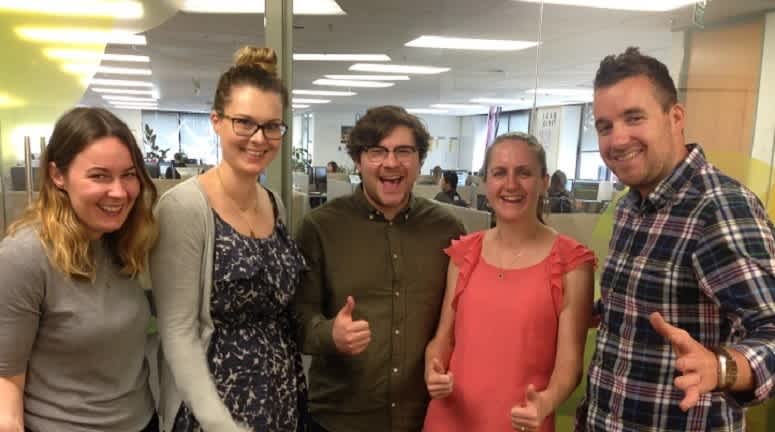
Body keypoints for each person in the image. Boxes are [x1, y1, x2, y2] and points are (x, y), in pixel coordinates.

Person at [575, 47, 775, 431]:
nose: (617, 139)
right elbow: (642, 307)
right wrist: (583, 308)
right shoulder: (631, 206)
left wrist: (721, 367)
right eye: (604, 126)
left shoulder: (718, 208)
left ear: (676, 117)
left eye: (634, 118)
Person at [151, 46, 306, 432]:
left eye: (272, 126)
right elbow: (178, 331)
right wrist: (219, 424)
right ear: (216, 122)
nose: (259, 138)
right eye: (244, 123)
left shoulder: (273, 203)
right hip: (215, 404)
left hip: (279, 391)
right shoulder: (185, 208)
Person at [294, 105, 465, 432]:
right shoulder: (320, 228)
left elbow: (461, 318)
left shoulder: (448, 230)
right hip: (339, 419)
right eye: (377, 151)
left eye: (404, 151)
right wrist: (330, 334)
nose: (391, 162)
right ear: (358, 162)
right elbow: (297, 318)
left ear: (419, 161)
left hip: (424, 418)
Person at [0, 107, 159, 431]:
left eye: (129, 174)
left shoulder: (121, 241)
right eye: (99, 176)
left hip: (140, 420)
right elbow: (5, 382)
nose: (119, 192)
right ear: (58, 176)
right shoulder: (25, 255)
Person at [423, 132, 595, 432]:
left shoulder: (571, 262)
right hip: (449, 419)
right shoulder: (465, 253)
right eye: (499, 173)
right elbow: (443, 340)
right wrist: (433, 367)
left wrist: (546, 402)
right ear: (486, 182)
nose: (511, 184)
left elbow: (569, 366)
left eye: (524, 173)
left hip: (522, 421)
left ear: (544, 182)